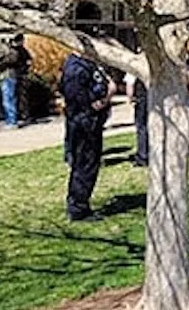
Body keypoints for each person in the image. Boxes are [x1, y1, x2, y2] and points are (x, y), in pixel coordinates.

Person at [60, 48, 115, 222]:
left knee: (90, 164)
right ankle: (78, 208)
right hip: (84, 124)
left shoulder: (89, 65)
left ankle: (82, 203)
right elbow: (79, 101)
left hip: (92, 122)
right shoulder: (76, 68)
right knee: (84, 164)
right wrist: (104, 99)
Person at [0, 34, 31, 128]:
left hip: (9, 76)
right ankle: (11, 120)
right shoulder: (19, 51)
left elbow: (10, 61)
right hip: (12, 76)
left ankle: (12, 121)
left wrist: (1, 62)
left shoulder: (13, 52)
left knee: (8, 99)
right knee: (11, 98)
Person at [124, 71, 148, 167]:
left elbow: (130, 84)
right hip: (153, 98)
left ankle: (143, 156)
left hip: (141, 98)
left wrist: (130, 99)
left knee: (141, 127)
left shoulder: (134, 68)